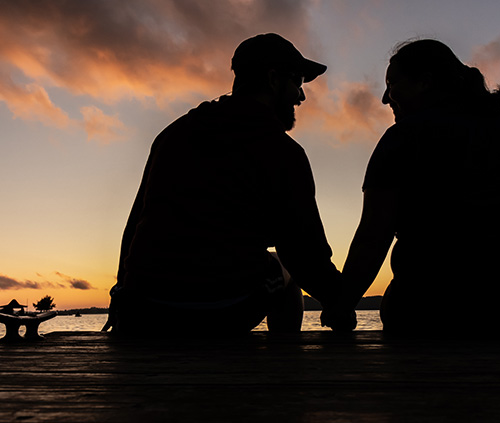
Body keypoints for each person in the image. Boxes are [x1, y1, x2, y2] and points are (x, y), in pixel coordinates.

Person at [324, 39, 500, 338]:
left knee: (400, 308)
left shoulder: (402, 137)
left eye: (393, 84)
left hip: (449, 307)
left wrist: (343, 306)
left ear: (424, 83)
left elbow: (373, 236)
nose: (385, 98)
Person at [104, 33, 347, 336]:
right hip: (218, 308)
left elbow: (137, 223)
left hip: (143, 306)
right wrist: (339, 302)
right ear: (273, 79)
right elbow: (303, 255)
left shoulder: (173, 134)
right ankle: (285, 373)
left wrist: (122, 291)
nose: (301, 96)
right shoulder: (283, 151)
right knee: (287, 274)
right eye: (297, 81)